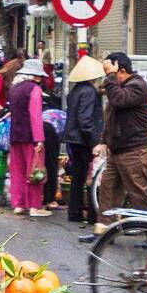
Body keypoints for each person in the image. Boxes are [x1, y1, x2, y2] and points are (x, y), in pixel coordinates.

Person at [90, 51, 147, 235]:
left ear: (122, 70)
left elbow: (118, 99)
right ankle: (104, 230)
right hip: (116, 150)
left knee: (137, 193)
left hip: (134, 150)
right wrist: (103, 141)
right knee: (107, 189)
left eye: (112, 71)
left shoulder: (137, 86)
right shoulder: (118, 86)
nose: (108, 77)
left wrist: (110, 77)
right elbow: (110, 117)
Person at [7, 58, 50, 218]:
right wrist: (39, 139)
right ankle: (34, 206)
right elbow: (35, 115)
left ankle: (19, 204)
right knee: (34, 170)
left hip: (15, 135)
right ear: (36, 75)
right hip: (31, 136)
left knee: (17, 170)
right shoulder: (34, 89)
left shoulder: (14, 88)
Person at [65, 54, 104, 227]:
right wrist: (94, 140)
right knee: (90, 176)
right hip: (83, 140)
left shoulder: (75, 91)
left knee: (77, 177)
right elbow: (86, 119)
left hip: (74, 139)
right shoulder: (89, 92)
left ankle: (75, 211)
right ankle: (91, 215)